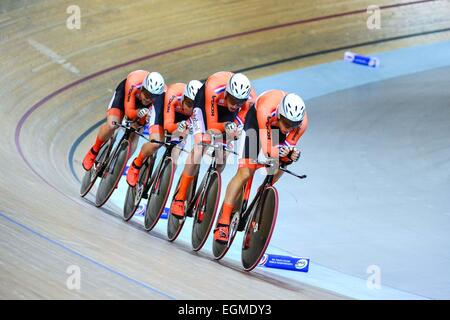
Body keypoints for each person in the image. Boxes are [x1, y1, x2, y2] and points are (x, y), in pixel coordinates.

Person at [213, 90, 308, 243]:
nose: (288, 128)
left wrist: (290, 155)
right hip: (257, 125)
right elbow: (268, 149)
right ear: (279, 115)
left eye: (293, 125)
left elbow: (286, 148)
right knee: (245, 173)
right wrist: (284, 153)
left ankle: (264, 188)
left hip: (275, 131)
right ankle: (223, 222)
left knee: (284, 160)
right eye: (286, 123)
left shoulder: (301, 124)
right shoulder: (266, 109)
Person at [169, 71, 257, 218]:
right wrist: (226, 127)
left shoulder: (249, 102)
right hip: (206, 105)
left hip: (227, 115)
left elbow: (238, 124)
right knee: (201, 146)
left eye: (240, 102)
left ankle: (207, 193)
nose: (236, 105)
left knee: (223, 155)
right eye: (234, 100)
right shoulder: (214, 88)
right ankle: (180, 197)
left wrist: (233, 130)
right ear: (227, 93)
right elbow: (211, 125)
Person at [82, 70, 165, 171]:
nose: (148, 99)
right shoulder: (133, 83)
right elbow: (129, 112)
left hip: (145, 108)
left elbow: (157, 119)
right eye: (147, 95)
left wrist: (145, 119)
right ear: (142, 88)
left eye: (153, 97)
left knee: (136, 132)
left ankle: (120, 167)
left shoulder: (160, 97)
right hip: (126, 95)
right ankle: (94, 150)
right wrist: (138, 113)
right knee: (112, 124)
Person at [126, 80, 203, 187]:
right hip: (163, 111)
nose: (190, 109)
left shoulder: (200, 108)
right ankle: (136, 165)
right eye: (189, 103)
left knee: (176, 152)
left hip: (182, 120)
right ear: (183, 97)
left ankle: (164, 181)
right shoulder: (173, 96)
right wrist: (179, 126)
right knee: (156, 142)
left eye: (194, 107)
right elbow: (168, 126)